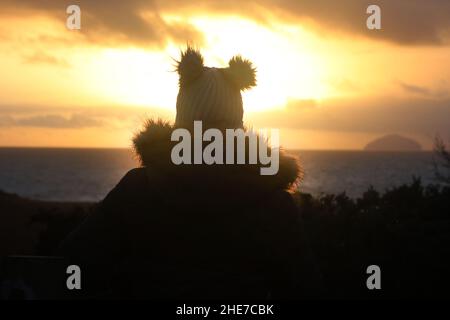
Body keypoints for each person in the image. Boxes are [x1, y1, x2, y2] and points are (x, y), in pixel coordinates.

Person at [59, 47, 318, 299]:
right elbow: (302, 286)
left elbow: (75, 260)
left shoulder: (137, 189)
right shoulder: (275, 203)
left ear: (181, 118)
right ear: (238, 123)